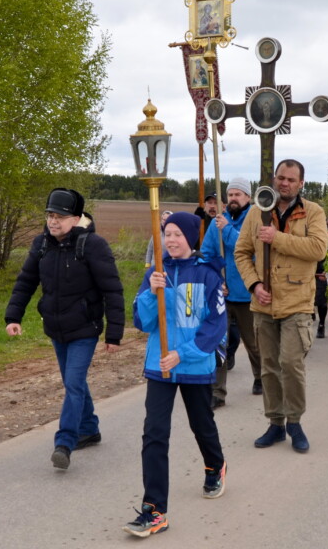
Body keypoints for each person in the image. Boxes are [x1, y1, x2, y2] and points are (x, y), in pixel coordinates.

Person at [4, 188, 125, 471]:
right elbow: (26, 281)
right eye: (49, 215)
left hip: (84, 328)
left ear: (76, 218)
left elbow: (113, 290)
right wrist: (13, 316)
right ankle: (89, 427)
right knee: (75, 383)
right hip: (56, 328)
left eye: (59, 216)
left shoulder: (93, 245)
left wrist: (114, 334)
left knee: (72, 384)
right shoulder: (42, 244)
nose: (53, 221)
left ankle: (65, 442)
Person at [124, 212, 227, 538]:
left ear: (190, 238)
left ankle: (215, 466)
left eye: (176, 235)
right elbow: (143, 323)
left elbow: (216, 327)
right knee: (154, 433)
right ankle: (154, 510)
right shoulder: (156, 272)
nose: (170, 240)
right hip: (160, 366)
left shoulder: (208, 275)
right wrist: (149, 295)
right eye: (166, 234)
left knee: (201, 424)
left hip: (193, 364)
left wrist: (184, 354)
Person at [234, 159, 327, 452]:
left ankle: (295, 423)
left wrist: (278, 238)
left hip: (297, 302)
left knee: (291, 364)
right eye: (280, 178)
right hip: (264, 303)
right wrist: (254, 285)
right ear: (274, 179)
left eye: (290, 179)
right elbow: (242, 252)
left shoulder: (312, 212)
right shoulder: (256, 212)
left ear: (301, 183)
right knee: (269, 366)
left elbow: (318, 249)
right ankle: (275, 424)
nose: (284, 183)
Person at [201, 177, 264, 406]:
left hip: (248, 294)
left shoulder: (254, 219)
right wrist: (216, 280)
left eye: (238, 194)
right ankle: (218, 392)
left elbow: (252, 250)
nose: (234, 198)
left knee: (253, 343)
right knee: (219, 342)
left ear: (248, 197)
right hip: (223, 295)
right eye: (231, 194)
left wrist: (227, 230)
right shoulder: (218, 222)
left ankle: (260, 377)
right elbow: (207, 254)